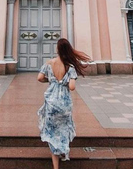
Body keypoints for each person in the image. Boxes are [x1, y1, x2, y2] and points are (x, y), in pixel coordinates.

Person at [37, 38, 91, 169]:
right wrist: (65, 82)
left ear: (58, 49)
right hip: (64, 103)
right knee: (63, 128)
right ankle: (62, 149)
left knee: (52, 131)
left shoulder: (49, 63)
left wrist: (51, 81)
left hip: (51, 101)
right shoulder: (70, 67)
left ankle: (56, 166)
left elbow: (39, 78)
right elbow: (72, 87)